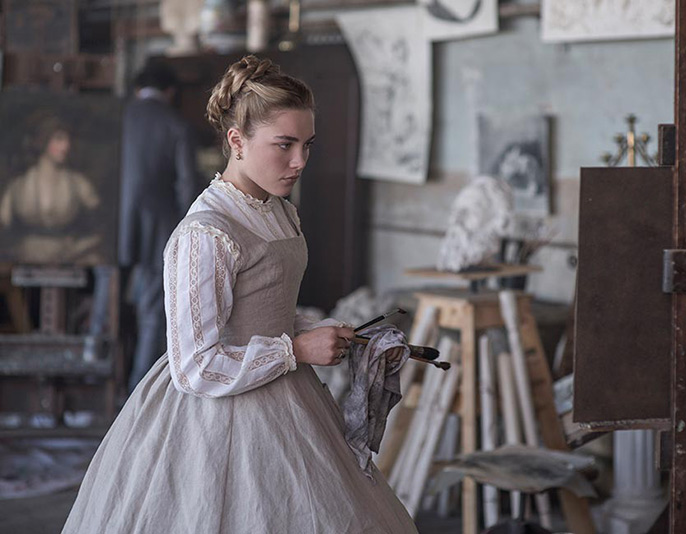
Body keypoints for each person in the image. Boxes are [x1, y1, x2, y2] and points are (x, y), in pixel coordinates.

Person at [63, 56, 418, 533]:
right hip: (217, 413)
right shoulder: (205, 234)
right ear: (237, 141)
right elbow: (195, 367)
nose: (299, 161)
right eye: (284, 145)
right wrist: (297, 349)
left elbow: (263, 310)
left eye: (307, 145)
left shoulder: (280, 211)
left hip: (289, 396)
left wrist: (324, 332)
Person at [119, 60, 201, 391]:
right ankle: (136, 392)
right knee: (153, 311)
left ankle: (96, 379)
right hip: (160, 228)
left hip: (110, 227)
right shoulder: (177, 125)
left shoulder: (117, 119)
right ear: (170, 91)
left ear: (138, 88)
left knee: (104, 305)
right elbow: (187, 188)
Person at [0, 116, 102, 264]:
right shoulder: (18, 185)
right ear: (43, 141)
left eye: (68, 140)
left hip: (69, 255)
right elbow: (4, 223)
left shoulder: (78, 183)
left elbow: (100, 225)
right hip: (26, 257)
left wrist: (79, 247)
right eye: (59, 139)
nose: (66, 146)